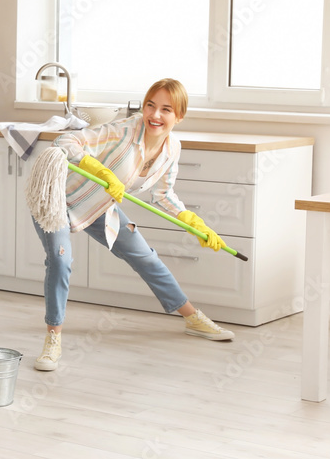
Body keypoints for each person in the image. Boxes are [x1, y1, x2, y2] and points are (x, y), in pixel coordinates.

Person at [32, 78, 234, 372]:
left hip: (100, 206)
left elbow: (163, 194)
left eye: (166, 109)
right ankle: (53, 339)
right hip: (58, 199)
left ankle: (192, 318)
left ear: (179, 116)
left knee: (146, 257)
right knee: (61, 261)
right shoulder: (124, 130)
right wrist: (102, 172)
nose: (155, 115)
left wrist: (194, 223)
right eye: (150, 105)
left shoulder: (171, 148)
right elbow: (66, 141)